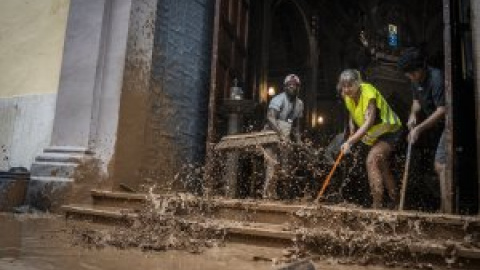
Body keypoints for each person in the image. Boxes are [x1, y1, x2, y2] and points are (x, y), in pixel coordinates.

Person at [338, 69, 403, 209]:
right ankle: (396, 203)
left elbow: (368, 123)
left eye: (350, 85)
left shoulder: (368, 93)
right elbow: (351, 113)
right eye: (344, 86)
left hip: (389, 130)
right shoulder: (346, 94)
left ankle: (376, 207)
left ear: (358, 83)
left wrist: (350, 141)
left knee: (372, 160)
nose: (347, 89)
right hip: (375, 134)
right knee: (382, 166)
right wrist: (352, 131)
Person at [397, 47, 450, 213]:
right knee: (438, 166)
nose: (410, 77)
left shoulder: (437, 78)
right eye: (408, 74)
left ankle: (446, 211)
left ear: (422, 67)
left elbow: (442, 110)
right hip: (435, 127)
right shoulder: (415, 80)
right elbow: (416, 102)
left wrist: (418, 129)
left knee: (441, 164)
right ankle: (444, 208)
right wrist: (413, 115)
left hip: (449, 124)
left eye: (412, 73)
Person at [263, 74, 304, 199]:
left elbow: (296, 125)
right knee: (272, 164)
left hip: (285, 136)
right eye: (289, 85)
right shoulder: (278, 99)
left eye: (295, 85)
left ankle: (276, 193)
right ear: (285, 87)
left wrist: (298, 140)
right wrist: (280, 136)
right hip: (271, 134)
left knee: (285, 166)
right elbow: (270, 117)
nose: (292, 87)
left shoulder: (300, 104)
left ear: (298, 88)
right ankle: (267, 194)